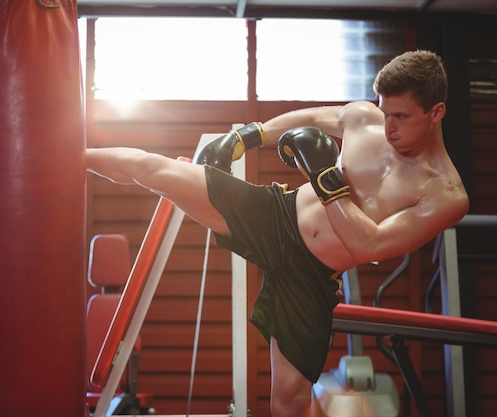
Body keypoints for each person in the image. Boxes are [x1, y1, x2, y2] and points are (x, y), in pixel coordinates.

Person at [86, 50, 469, 417]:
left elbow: (367, 244)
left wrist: (325, 181)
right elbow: (313, 118)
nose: (388, 128)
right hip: (275, 215)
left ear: (436, 112)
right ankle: (65, 157)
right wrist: (248, 137)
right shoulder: (365, 118)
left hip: (308, 276)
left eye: (401, 117)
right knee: (150, 168)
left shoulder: (444, 194)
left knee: (287, 406)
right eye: (385, 112)